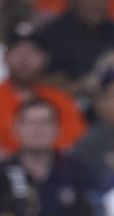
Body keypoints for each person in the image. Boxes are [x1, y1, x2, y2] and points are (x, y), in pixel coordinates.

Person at [0, 22, 87, 157]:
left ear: (45, 59)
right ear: (5, 58)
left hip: (54, 172)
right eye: (17, 52)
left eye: (32, 52)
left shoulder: (62, 100)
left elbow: (74, 142)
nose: (24, 60)